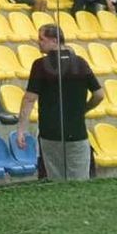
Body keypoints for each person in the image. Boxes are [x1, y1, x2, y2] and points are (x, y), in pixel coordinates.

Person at [17, 23, 105, 180]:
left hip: (50, 133)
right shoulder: (80, 62)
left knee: (56, 182)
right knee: (79, 183)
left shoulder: (40, 65)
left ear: (55, 40)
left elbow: (29, 99)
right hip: (77, 133)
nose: (38, 42)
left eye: (42, 39)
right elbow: (99, 95)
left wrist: (21, 129)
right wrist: (83, 109)